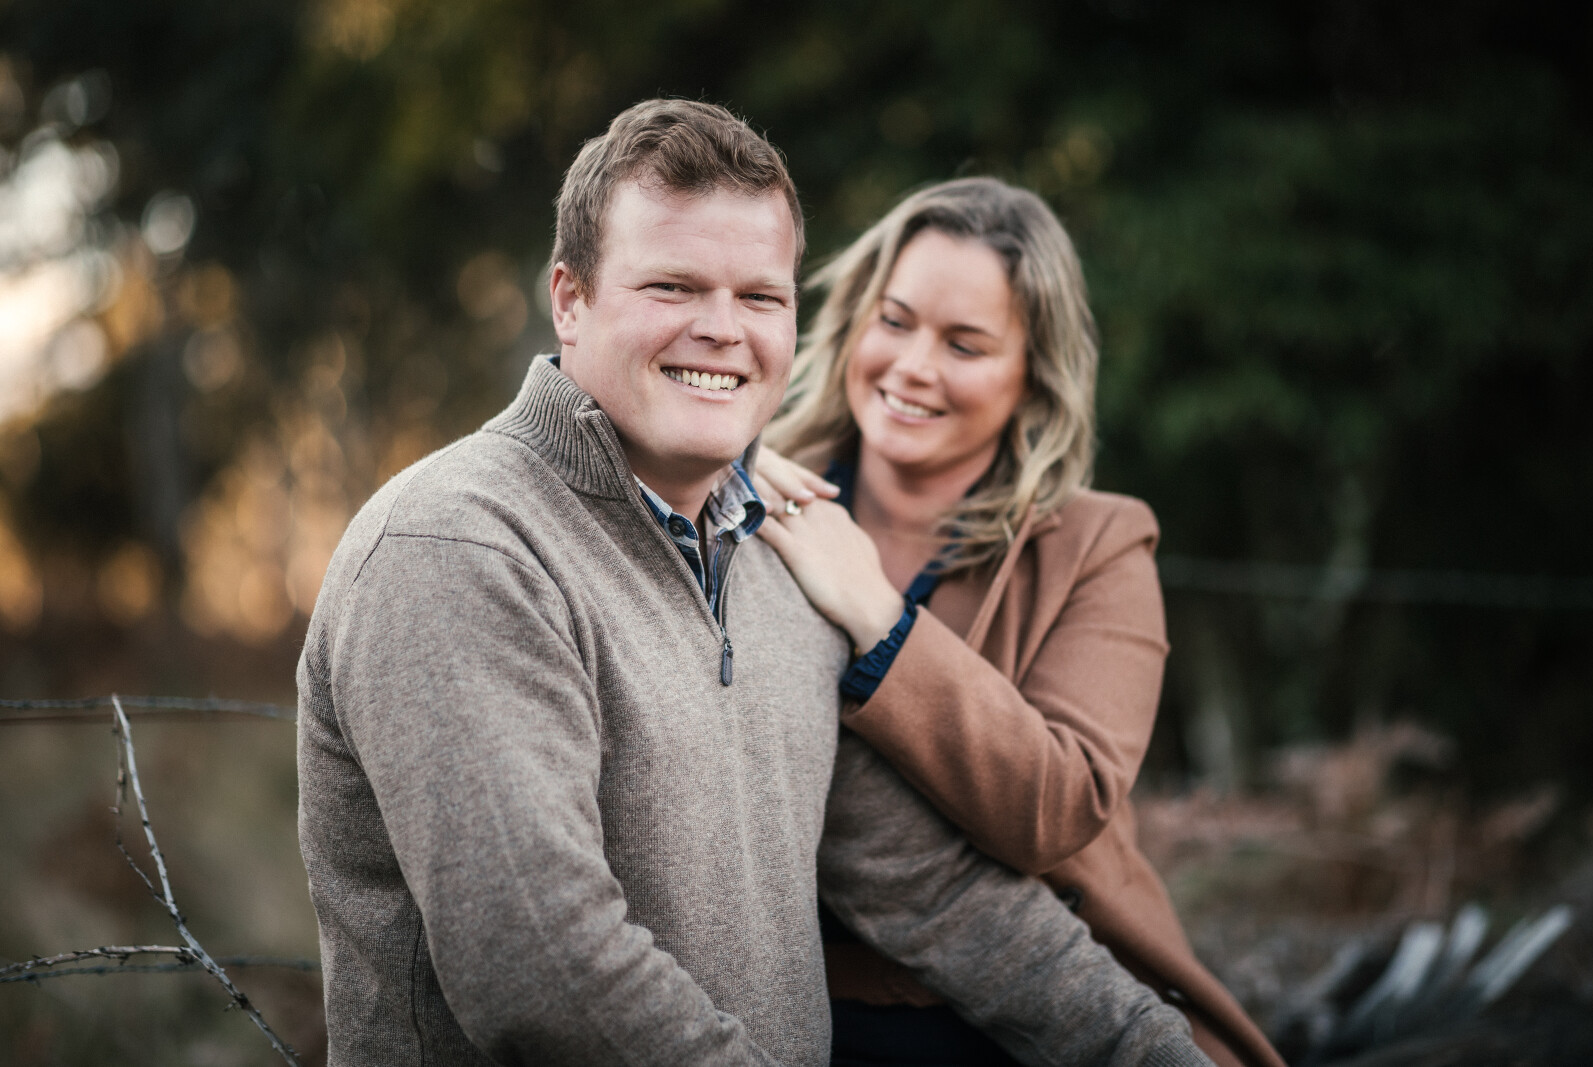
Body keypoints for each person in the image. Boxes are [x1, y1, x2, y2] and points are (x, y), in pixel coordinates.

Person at [297, 100, 1213, 1066]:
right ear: (570, 298)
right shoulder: (461, 546)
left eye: (761, 297)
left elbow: (937, 893)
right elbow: (541, 967)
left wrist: (1153, 1051)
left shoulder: (774, 564)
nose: (722, 329)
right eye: (673, 286)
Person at [753, 176, 1286, 1067]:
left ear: (1033, 375)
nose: (913, 365)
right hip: (779, 1009)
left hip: (1015, 1019)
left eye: (964, 344)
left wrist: (880, 617)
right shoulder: (745, 495)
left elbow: (1058, 807)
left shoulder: (1098, 545)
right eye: (895, 320)